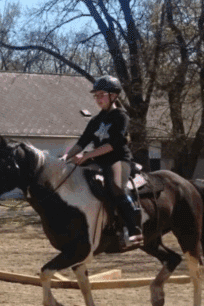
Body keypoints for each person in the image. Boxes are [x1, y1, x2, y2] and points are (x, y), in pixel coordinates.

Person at [60, 75, 143, 247]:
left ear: (114, 96)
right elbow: (81, 143)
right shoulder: (95, 120)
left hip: (118, 159)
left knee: (116, 185)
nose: (98, 99)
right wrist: (64, 158)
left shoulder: (121, 116)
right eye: (95, 96)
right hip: (97, 160)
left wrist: (87, 156)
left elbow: (113, 145)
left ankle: (133, 229)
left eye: (102, 95)